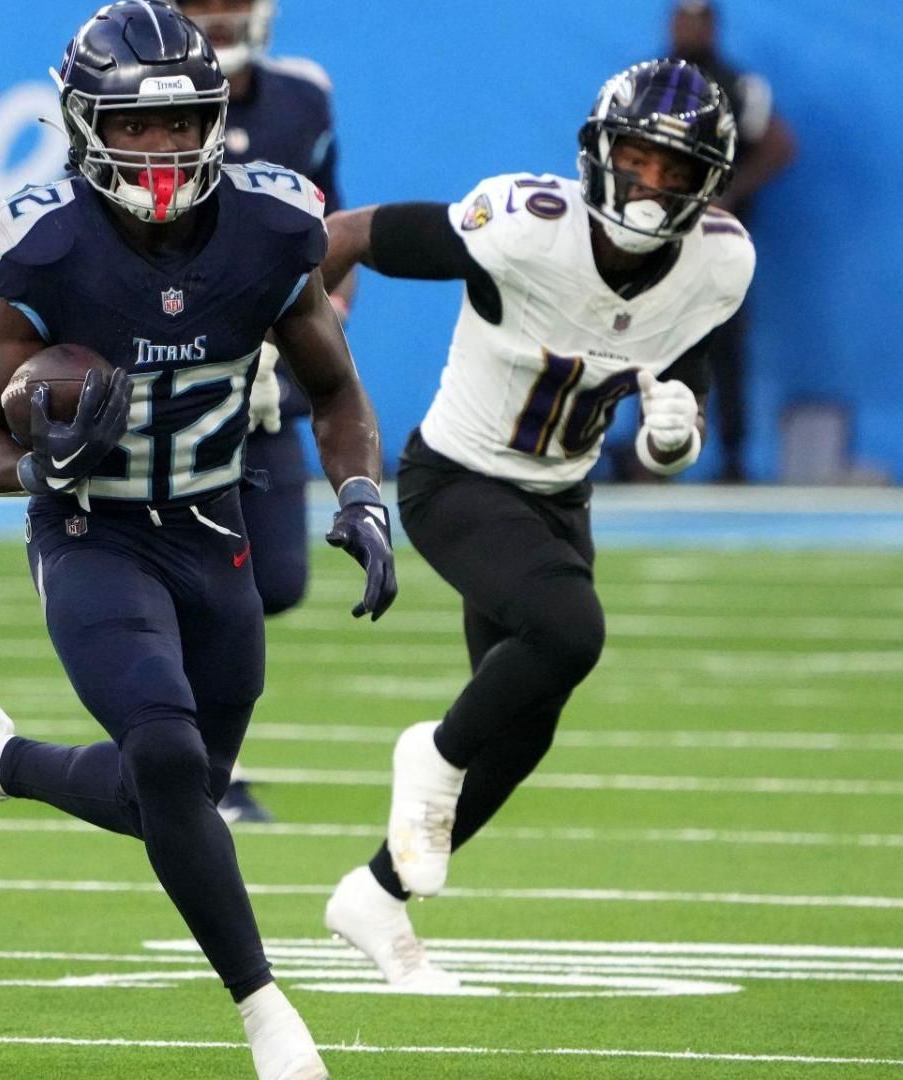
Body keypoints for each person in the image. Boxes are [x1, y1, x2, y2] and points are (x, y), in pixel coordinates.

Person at [0, 5, 396, 1077]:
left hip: (215, 527)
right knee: (169, 759)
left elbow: (334, 389)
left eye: (183, 128)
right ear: (86, 126)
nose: (164, 152)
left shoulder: (271, 228)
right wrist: (40, 467)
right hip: (95, 533)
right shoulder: (45, 244)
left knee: (173, 791)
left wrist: (361, 493)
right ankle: (269, 1015)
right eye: (138, 128)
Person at [314, 59, 752, 989]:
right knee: (568, 630)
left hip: (561, 494)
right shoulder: (522, 228)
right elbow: (344, 234)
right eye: (636, 157)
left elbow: (682, 400)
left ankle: (376, 895)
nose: (649, 185)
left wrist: (674, 439)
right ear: (599, 152)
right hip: (459, 480)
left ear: (706, 184)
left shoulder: (720, 261)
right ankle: (427, 759)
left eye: (676, 171)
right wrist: (295, 344)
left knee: (524, 726)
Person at [168, 0, 355, 825]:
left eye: (229, 2)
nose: (217, 18)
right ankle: (204, 768)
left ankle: (194, 754)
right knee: (196, 578)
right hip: (174, 378)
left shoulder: (302, 97)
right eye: (199, 4)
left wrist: (325, 312)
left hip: (269, 385)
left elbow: (331, 222)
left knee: (273, 580)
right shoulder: (145, 96)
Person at [644, 0, 793, 484]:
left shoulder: (737, 86)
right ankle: (651, 454)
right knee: (645, 338)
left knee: (724, 345)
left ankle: (732, 456)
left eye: (697, 18)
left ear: (712, 25)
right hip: (654, 233)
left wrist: (730, 193)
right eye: (680, 17)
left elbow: (778, 144)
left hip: (713, 238)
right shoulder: (648, 84)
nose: (687, 26)